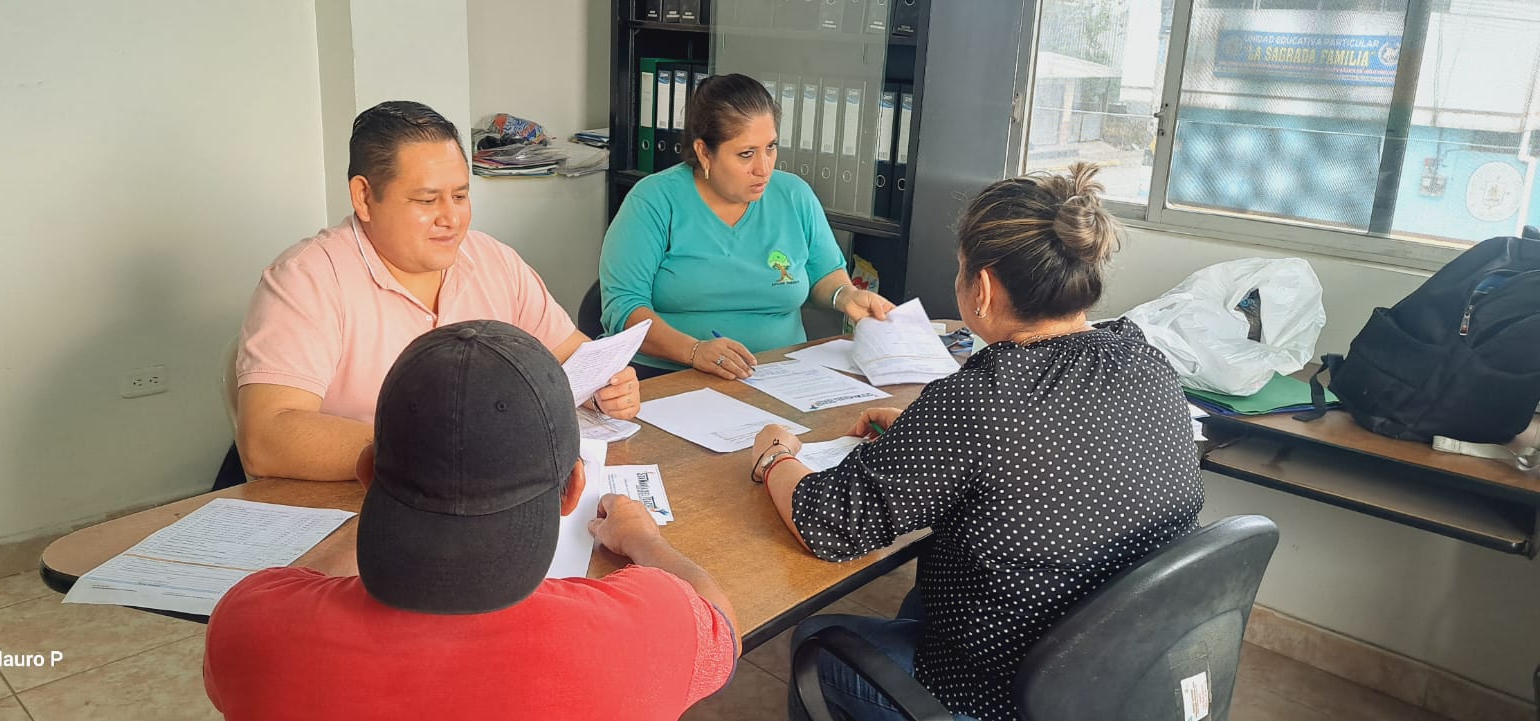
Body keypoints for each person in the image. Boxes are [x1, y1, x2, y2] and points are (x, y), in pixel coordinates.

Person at [748, 164, 1206, 721]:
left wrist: (775, 453)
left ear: (982, 288)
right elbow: (1057, 452)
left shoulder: (981, 400)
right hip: (1126, 672)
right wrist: (924, 434)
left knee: (818, 642)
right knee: (920, 600)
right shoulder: (1144, 361)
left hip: (1009, 695)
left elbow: (828, 524)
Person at [205, 320, 738, 720]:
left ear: (367, 472)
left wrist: (390, 495)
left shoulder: (250, 626)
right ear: (574, 487)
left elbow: (293, 585)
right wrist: (645, 540)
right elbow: (721, 627)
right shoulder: (646, 627)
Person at [235, 101, 640, 482]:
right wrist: (439, 450)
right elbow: (266, 438)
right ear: (364, 197)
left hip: (488, 495)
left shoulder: (494, 261)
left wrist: (605, 390)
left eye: (460, 196)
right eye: (427, 200)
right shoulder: (306, 279)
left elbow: (572, 358)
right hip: (362, 499)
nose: (452, 218)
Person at [598, 74, 896, 380]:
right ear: (704, 152)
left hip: (781, 375)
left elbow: (824, 276)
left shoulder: (794, 195)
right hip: (664, 377)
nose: (763, 168)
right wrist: (694, 351)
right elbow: (623, 308)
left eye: (771, 147)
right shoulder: (654, 201)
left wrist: (845, 296)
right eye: (746, 154)